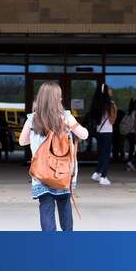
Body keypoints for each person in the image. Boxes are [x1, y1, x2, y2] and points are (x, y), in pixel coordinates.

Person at [19, 81, 89, 231]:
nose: (61, 99)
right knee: (64, 205)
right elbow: (84, 135)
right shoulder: (66, 117)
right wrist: (72, 125)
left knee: (46, 207)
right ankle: (67, 243)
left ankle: (49, 245)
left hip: (41, 173)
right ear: (56, 99)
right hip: (62, 172)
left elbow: (22, 141)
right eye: (59, 97)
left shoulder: (32, 119)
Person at [89, 83, 117, 186]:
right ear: (106, 91)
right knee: (106, 155)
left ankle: (97, 172)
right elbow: (112, 120)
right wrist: (115, 109)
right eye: (109, 89)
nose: (111, 90)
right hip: (107, 132)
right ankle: (103, 176)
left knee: (101, 153)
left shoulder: (97, 103)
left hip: (99, 131)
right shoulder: (110, 103)